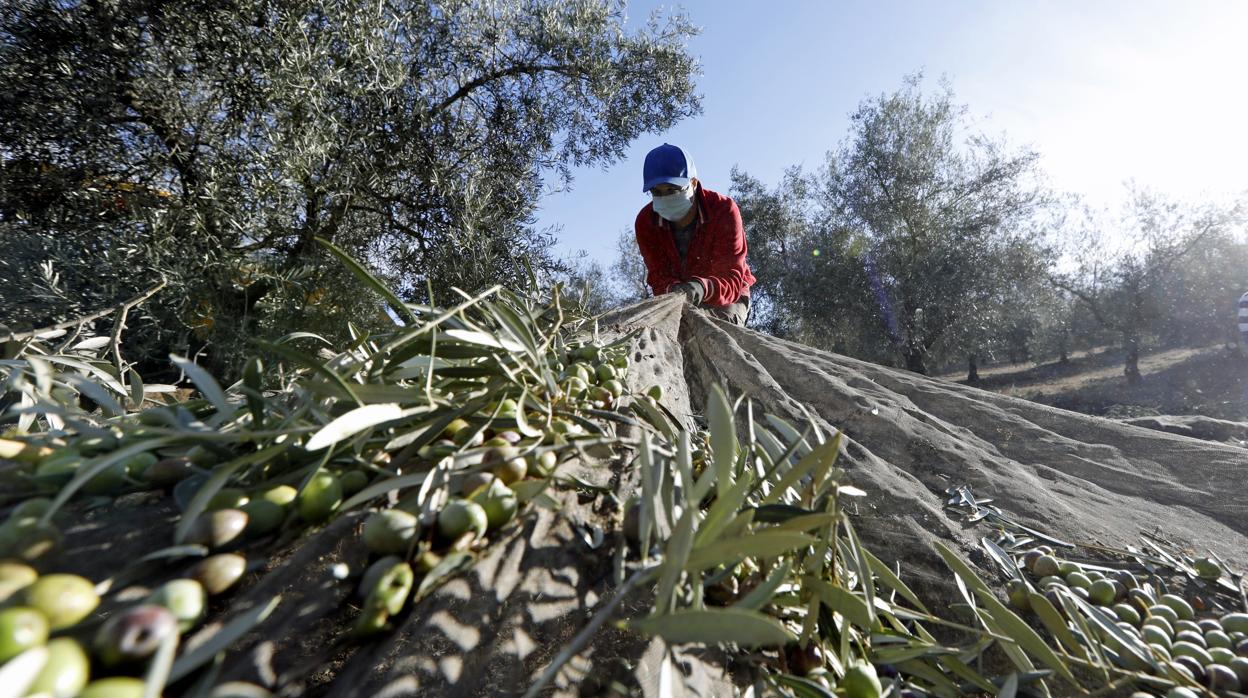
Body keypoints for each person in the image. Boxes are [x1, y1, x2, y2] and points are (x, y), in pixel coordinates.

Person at [634, 143, 756, 325]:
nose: (665, 198)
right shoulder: (646, 222)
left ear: (693, 183)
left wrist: (701, 288)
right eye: (656, 192)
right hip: (678, 299)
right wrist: (673, 289)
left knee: (717, 331)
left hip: (727, 298)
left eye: (671, 190)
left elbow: (731, 278)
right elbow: (657, 275)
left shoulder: (723, 211)